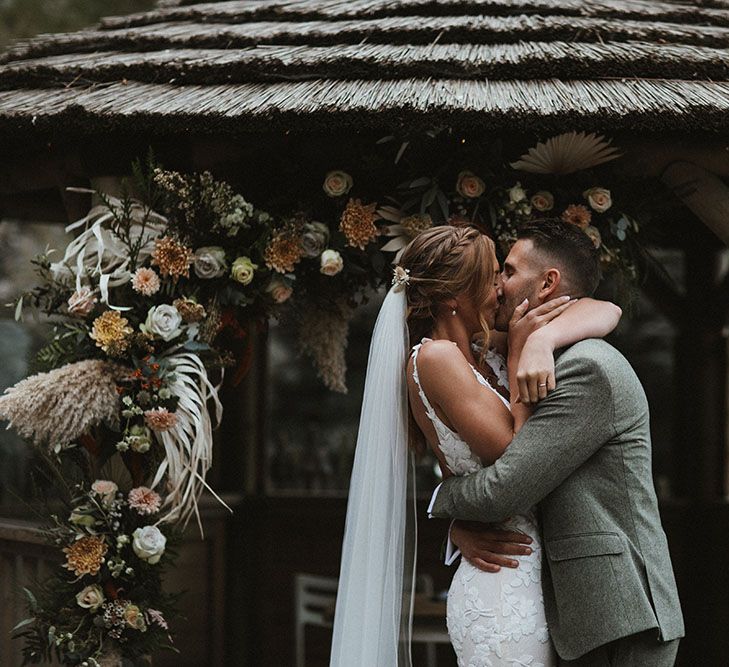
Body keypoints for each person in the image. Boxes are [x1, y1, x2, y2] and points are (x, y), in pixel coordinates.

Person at [330, 223, 631, 666]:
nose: (500, 288)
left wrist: (539, 341)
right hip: (500, 583)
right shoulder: (435, 358)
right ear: (453, 296)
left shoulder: (480, 349)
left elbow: (606, 310)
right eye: (492, 276)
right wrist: (517, 358)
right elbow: (514, 453)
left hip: (528, 569)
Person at [429, 220, 684, 666]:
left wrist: (441, 500)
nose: (498, 285)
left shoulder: (587, 369)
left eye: (507, 271)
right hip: (583, 614)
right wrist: (539, 339)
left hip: (619, 614)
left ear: (547, 283)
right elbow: (604, 309)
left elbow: (504, 491)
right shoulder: (536, 354)